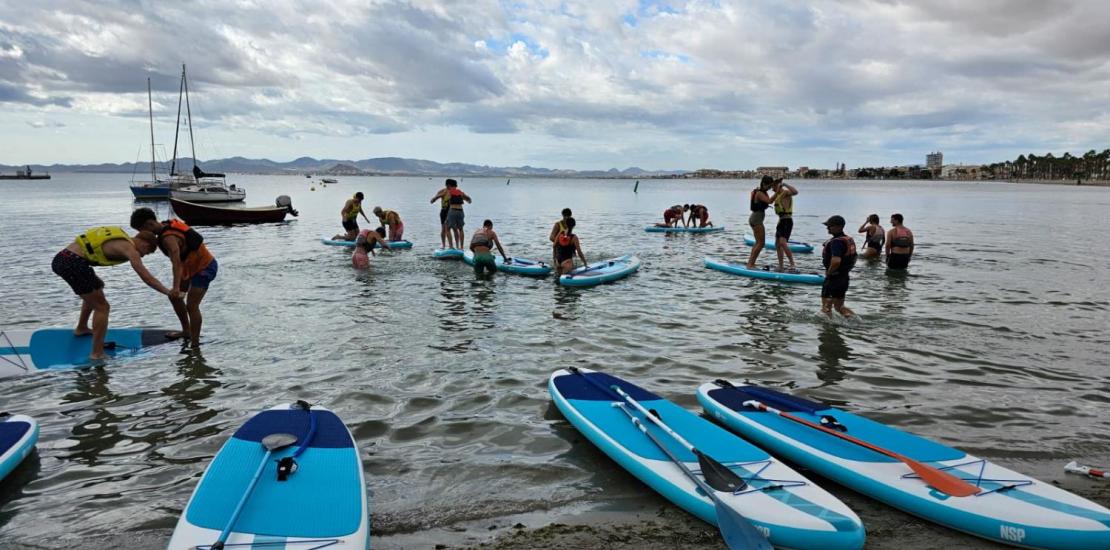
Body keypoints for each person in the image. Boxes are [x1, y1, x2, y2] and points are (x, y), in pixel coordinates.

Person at [51, 225, 180, 361]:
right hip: (73, 263)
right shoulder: (130, 249)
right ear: (144, 243)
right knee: (102, 307)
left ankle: (81, 328)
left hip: (63, 258)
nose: (143, 255)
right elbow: (146, 277)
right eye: (146, 251)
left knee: (96, 287)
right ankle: (97, 353)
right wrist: (168, 292)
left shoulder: (120, 237)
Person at [130, 208, 218, 345]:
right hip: (189, 269)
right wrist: (176, 289)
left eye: (141, 230)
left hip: (204, 268)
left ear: (149, 224)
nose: (141, 235)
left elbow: (176, 263)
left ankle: (195, 344)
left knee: (192, 305)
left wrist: (176, 286)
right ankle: (186, 331)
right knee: (175, 298)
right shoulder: (166, 225)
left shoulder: (168, 238)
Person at [820, 215, 857, 319]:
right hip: (844, 278)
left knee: (826, 308)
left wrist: (829, 273)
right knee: (839, 307)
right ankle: (857, 322)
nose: (827, 228)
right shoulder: (848, 239)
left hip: (834, 279)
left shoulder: (837, 242)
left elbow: (836, 261)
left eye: (830, 226)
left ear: (838, 227)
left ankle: (828, 332)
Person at [745, 175, 774, 268]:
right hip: (756, 219)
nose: (770, 188)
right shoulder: (760, 193)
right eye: (769, 186)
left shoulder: (763, 192)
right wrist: (778, 192)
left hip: (756, 219)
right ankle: (750, 264)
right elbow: (769, 201)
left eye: (771, 186)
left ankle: (750, 263)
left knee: (758, 243)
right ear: (764, 183)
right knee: (761, 243)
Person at [770, 179, 798, 271]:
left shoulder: (786, 193)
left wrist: (784, 184)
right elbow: (769, 201)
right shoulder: (777, 194)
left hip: (787, 220)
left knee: (782, 242)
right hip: (781, 221)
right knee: (777, 244)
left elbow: (795, 192)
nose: (772, 189)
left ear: (777, 186)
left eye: (773, 187)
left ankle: (792, 265)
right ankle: (781, 266)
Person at [443, 179, 471, 249]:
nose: (446, 187)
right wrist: (468, 200)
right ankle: (461, 247)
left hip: (452, 211)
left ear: (449, 185)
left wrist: (435, 198)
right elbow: (468, 199)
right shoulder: (460, 192)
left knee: (447, 227)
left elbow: (445, 199)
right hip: (460, 211)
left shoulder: (449, 192)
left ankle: (451, 246)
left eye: (447, 185)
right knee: (461, 229)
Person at [429, 180, 455, 249]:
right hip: (444, 211)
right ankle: (444, 245)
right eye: (449, 186)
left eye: (451, 186)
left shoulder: (454, 191)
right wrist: (438, 196)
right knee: (444, 229)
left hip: (452, 212)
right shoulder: (442, 191)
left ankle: (451, 246)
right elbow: (432, 201)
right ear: (447, 185)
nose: (450, 187)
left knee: (450, 229)